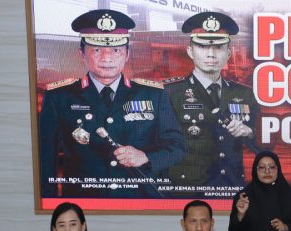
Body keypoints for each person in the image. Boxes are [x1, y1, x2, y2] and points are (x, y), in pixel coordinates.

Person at [38, 9, 187, 198]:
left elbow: (177, 147)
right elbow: (45, 158)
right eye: (97, 50)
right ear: (81, 54)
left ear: (127, 54)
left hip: (139, 200)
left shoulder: (154, 95)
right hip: (84, 202)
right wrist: (48, 204)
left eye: (116, 50)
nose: (107, 58)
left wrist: (146, 157)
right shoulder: (59, 97)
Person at [164, 11, 259, 188]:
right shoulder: (169, 93)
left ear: (228, 53)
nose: (211, 54)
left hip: (230, 185)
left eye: (218, 47)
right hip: (187, 188)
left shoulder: (245, 94)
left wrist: (249, 132)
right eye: (202, 47)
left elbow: (261, 143)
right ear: (190, 51)